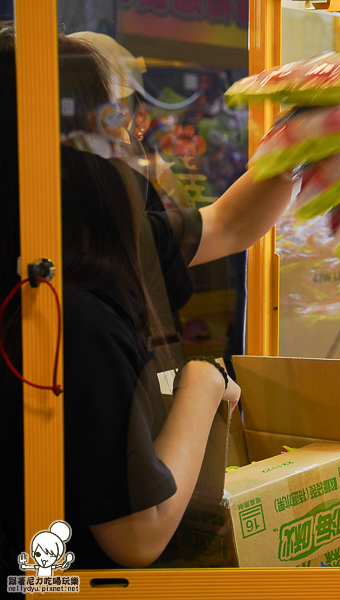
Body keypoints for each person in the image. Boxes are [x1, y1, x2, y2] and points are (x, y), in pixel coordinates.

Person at [0, 24, 294, 569]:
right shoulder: (72, 313)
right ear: (76, 157)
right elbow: (137, 536)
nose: (136, 140)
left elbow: (229, 224)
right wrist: (204, 382)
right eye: (115, 122)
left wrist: (302, 141)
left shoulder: (86, 251)